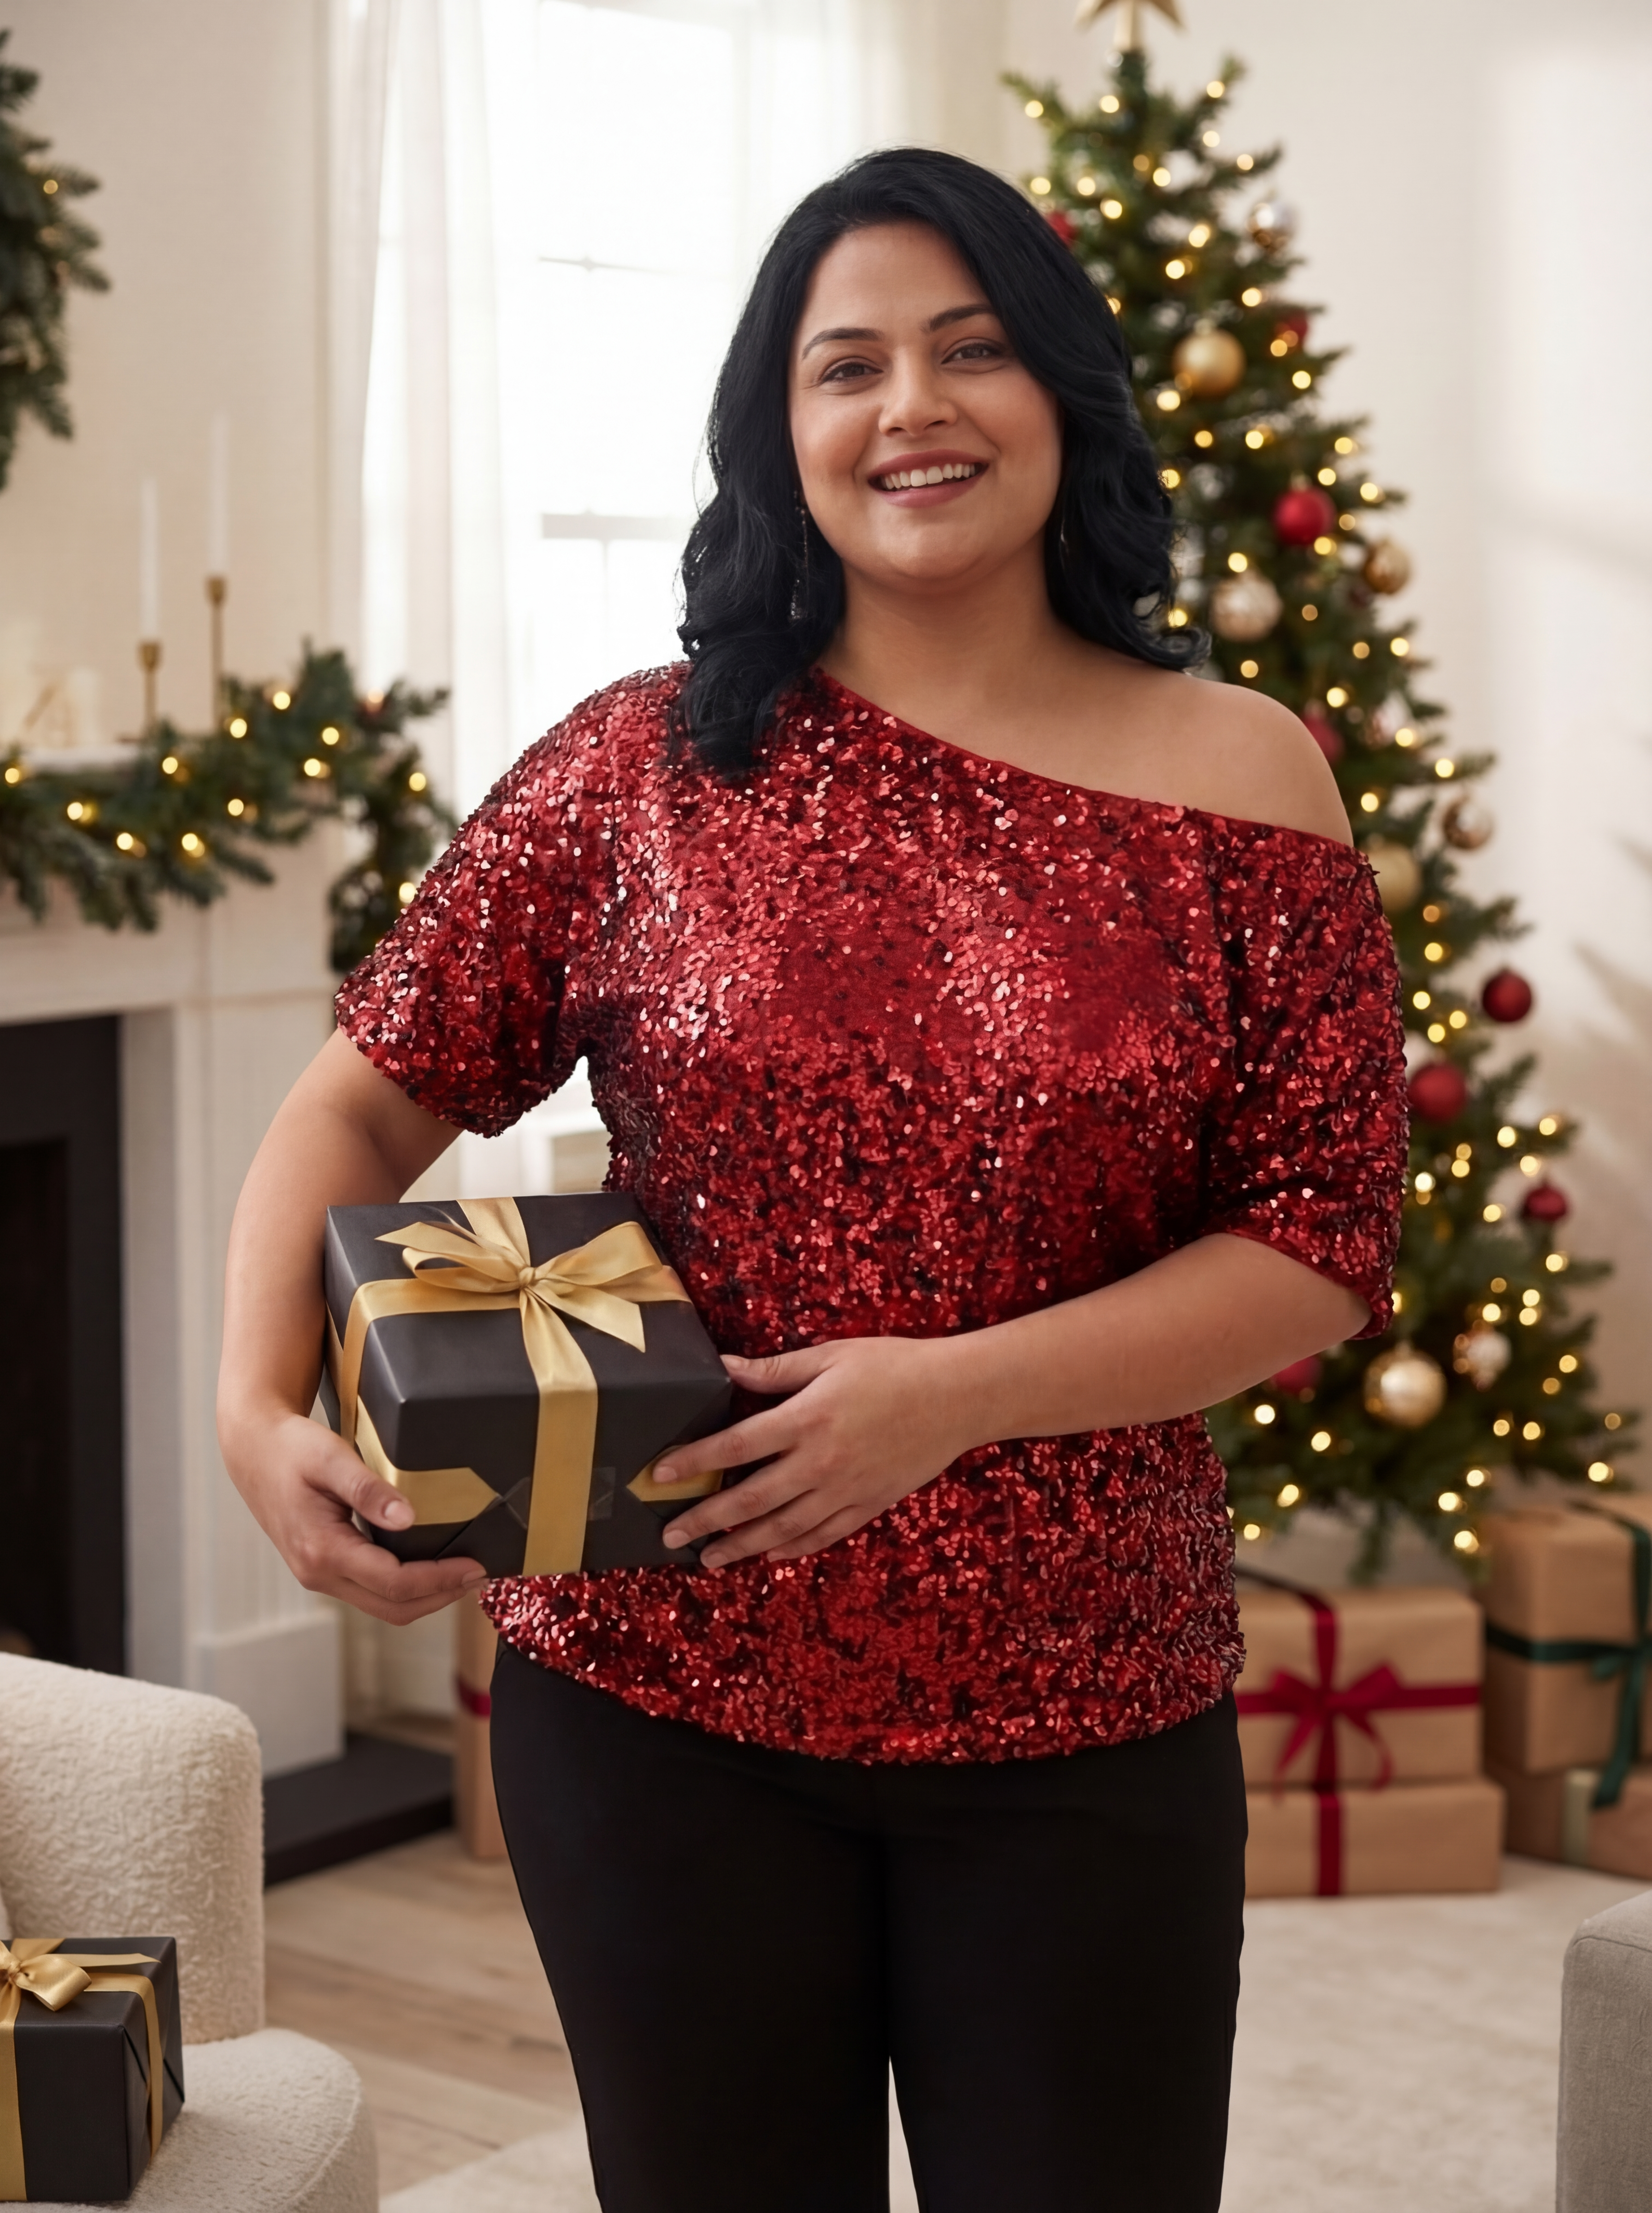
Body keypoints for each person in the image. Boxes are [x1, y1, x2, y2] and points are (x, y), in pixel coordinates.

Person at [219, 148, 1407, 2213]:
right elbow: (353, 1106)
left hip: (1083, 1707)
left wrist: (946, 1395)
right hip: (647, 1699)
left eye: (968, 352)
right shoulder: (635, 764)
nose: (907, 409)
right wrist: (255, 1408)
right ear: (777, 432)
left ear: (1060, 392)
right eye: (840, 364)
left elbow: (1314, 1245)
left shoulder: (1243, 774)